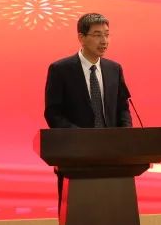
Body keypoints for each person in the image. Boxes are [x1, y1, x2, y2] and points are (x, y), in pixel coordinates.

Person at [44, 13, 132, 213]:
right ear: (81, 38)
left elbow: (122, 107)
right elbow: (53, 112)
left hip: (112, 156)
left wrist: (126, 135)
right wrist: (82, 137)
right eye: (97, 35)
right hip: (76, 156)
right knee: (78, 214)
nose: (104, 41)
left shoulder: (114, 69)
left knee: (113, 211)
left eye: (107, 35)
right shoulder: (61, 69)